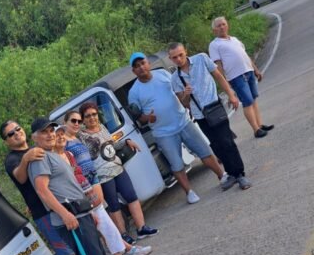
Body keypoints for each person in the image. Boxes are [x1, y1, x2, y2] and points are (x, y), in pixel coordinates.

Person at [27, 117, 131, 255]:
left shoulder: (51, 155)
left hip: (80, 213)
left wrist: (86, 210)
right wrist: (65, 214)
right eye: (43, 132)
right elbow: (42, 190)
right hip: (70, 217)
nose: (49, 134)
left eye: (51, 130)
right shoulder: (39, 159)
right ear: (34, 137)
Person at [1, 118, 92, 255]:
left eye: (18, 128)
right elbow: (20, 177)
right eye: (11, 133)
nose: (16, 133)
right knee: (67, 253)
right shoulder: (12, 160)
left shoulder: (40, 147)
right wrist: (26, 159)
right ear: (6, 141)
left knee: (78, 245)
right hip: (43, 213)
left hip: (61, 205)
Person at [127, 52, 224, 204]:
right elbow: (138, 116)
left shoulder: (163, 74)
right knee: (176, 164)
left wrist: (188, 106)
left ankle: (222, 175)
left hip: (183, 121)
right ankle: (189, 192)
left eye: (143, 63)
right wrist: (148, 118)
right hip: (163, 132)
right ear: (133, 71)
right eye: (137, 66)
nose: (141, 67)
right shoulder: (134, 92)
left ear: (148, 63)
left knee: (204, 151)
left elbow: (179, 93)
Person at [53, 125, 148, 255]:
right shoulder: (54, 159)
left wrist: (89, 189)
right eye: (56, 135)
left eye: (61, 134)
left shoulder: (68, 153)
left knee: (105, 225)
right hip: (76, 201)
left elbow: (78, 173)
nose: (60, 137)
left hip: (87, 191)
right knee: (100, 229)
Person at [168, 42, 252, 191]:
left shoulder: (201, 58)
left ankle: (240, 174)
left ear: (185, 51)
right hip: (200, 115)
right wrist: (186, 95)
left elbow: (218, 76)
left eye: (180, 55)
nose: (179, 59)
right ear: (171, 59)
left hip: (215, 107)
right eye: (174, 57)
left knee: (227, 142)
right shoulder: (175, 78)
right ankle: (230, 174)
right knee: (216, 146)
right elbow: (184, 103)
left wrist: (231, 94)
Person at [74, 103, 159, 244]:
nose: (92, 118)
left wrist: (126, 141)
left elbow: (111, 145)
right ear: (83, 119)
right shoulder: (81, 136)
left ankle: (141, 228)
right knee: (114, 205)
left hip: (118, 167)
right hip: (102, 175)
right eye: (87, 116)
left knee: (131, 196)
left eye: (94, 114)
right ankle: (123, 235)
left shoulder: (102, 127)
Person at [209, 17, 274, 139]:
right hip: (236, 76)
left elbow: (245, 55)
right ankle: (256, 130)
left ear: (227, 25)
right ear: (214, 30)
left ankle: (259, 125)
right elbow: (218, 65)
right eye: (219, 26)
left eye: (223, 24)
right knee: (247, 101)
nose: (222, 27)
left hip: (248, 71)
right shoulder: (214, 45)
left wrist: (256, 69)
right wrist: (226, 84)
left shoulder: (234, 39)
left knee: (253, 99)